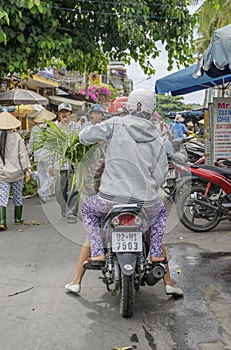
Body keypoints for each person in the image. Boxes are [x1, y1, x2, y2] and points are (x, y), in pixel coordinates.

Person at [65, 88, 183, 296]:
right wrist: (149, 188)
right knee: (159, 215)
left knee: (89, 209)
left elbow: (85, 137)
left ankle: (98, 253)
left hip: (110, 199)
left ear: (129, 106)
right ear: (151, 109)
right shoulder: (157, 135)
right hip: (145, 201)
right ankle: (156, 255)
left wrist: (85, 137)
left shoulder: (114, 124)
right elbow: (161, 172)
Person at [0, 111, 31, 231]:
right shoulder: (17, 137)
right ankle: (18, 219)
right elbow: (22, 155)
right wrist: (27, 170)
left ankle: (2, 221)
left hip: (2, 173)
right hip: (17, 173)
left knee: (2, 197)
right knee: (17, 196)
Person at [54, 103, 80, 223]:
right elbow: (51, 147)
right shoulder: (54, 128)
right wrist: (50, 165)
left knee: (73, 189)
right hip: (59, 164)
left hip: (73, 164)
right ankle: (64, 208)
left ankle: (72, 213)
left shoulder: (77, 127)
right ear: (59, 114)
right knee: (59, 191)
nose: (64, 114)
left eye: (66, 112)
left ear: (70, 113)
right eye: (62, 112)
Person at [28, 109, 56, 203]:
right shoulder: (52, 129)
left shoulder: (35, 129)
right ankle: (43, 191)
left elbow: (31, 143)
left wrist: (29, 154)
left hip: (38, 156)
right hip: (48, 155)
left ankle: (45, 195)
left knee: (42, 175)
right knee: (51, 175)